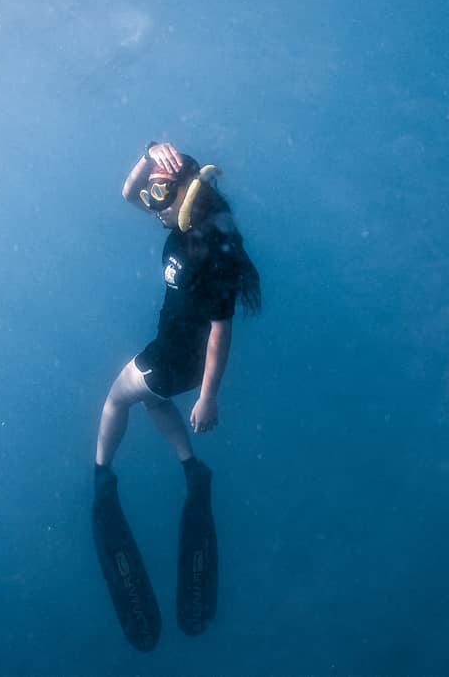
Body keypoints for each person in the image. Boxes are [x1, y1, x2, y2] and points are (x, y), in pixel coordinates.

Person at [91, 140, 261, 644]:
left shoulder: (203, 247)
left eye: (158, 194)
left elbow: (220, 330)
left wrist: (209, 397)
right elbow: (126, 192)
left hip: (174, 359)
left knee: (116, 399)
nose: (149, 201)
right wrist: (149, 152)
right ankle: (192, 467)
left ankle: (101, 479)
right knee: (153, 402)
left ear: (183, 196)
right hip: (173, 356)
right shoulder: (195, 223)